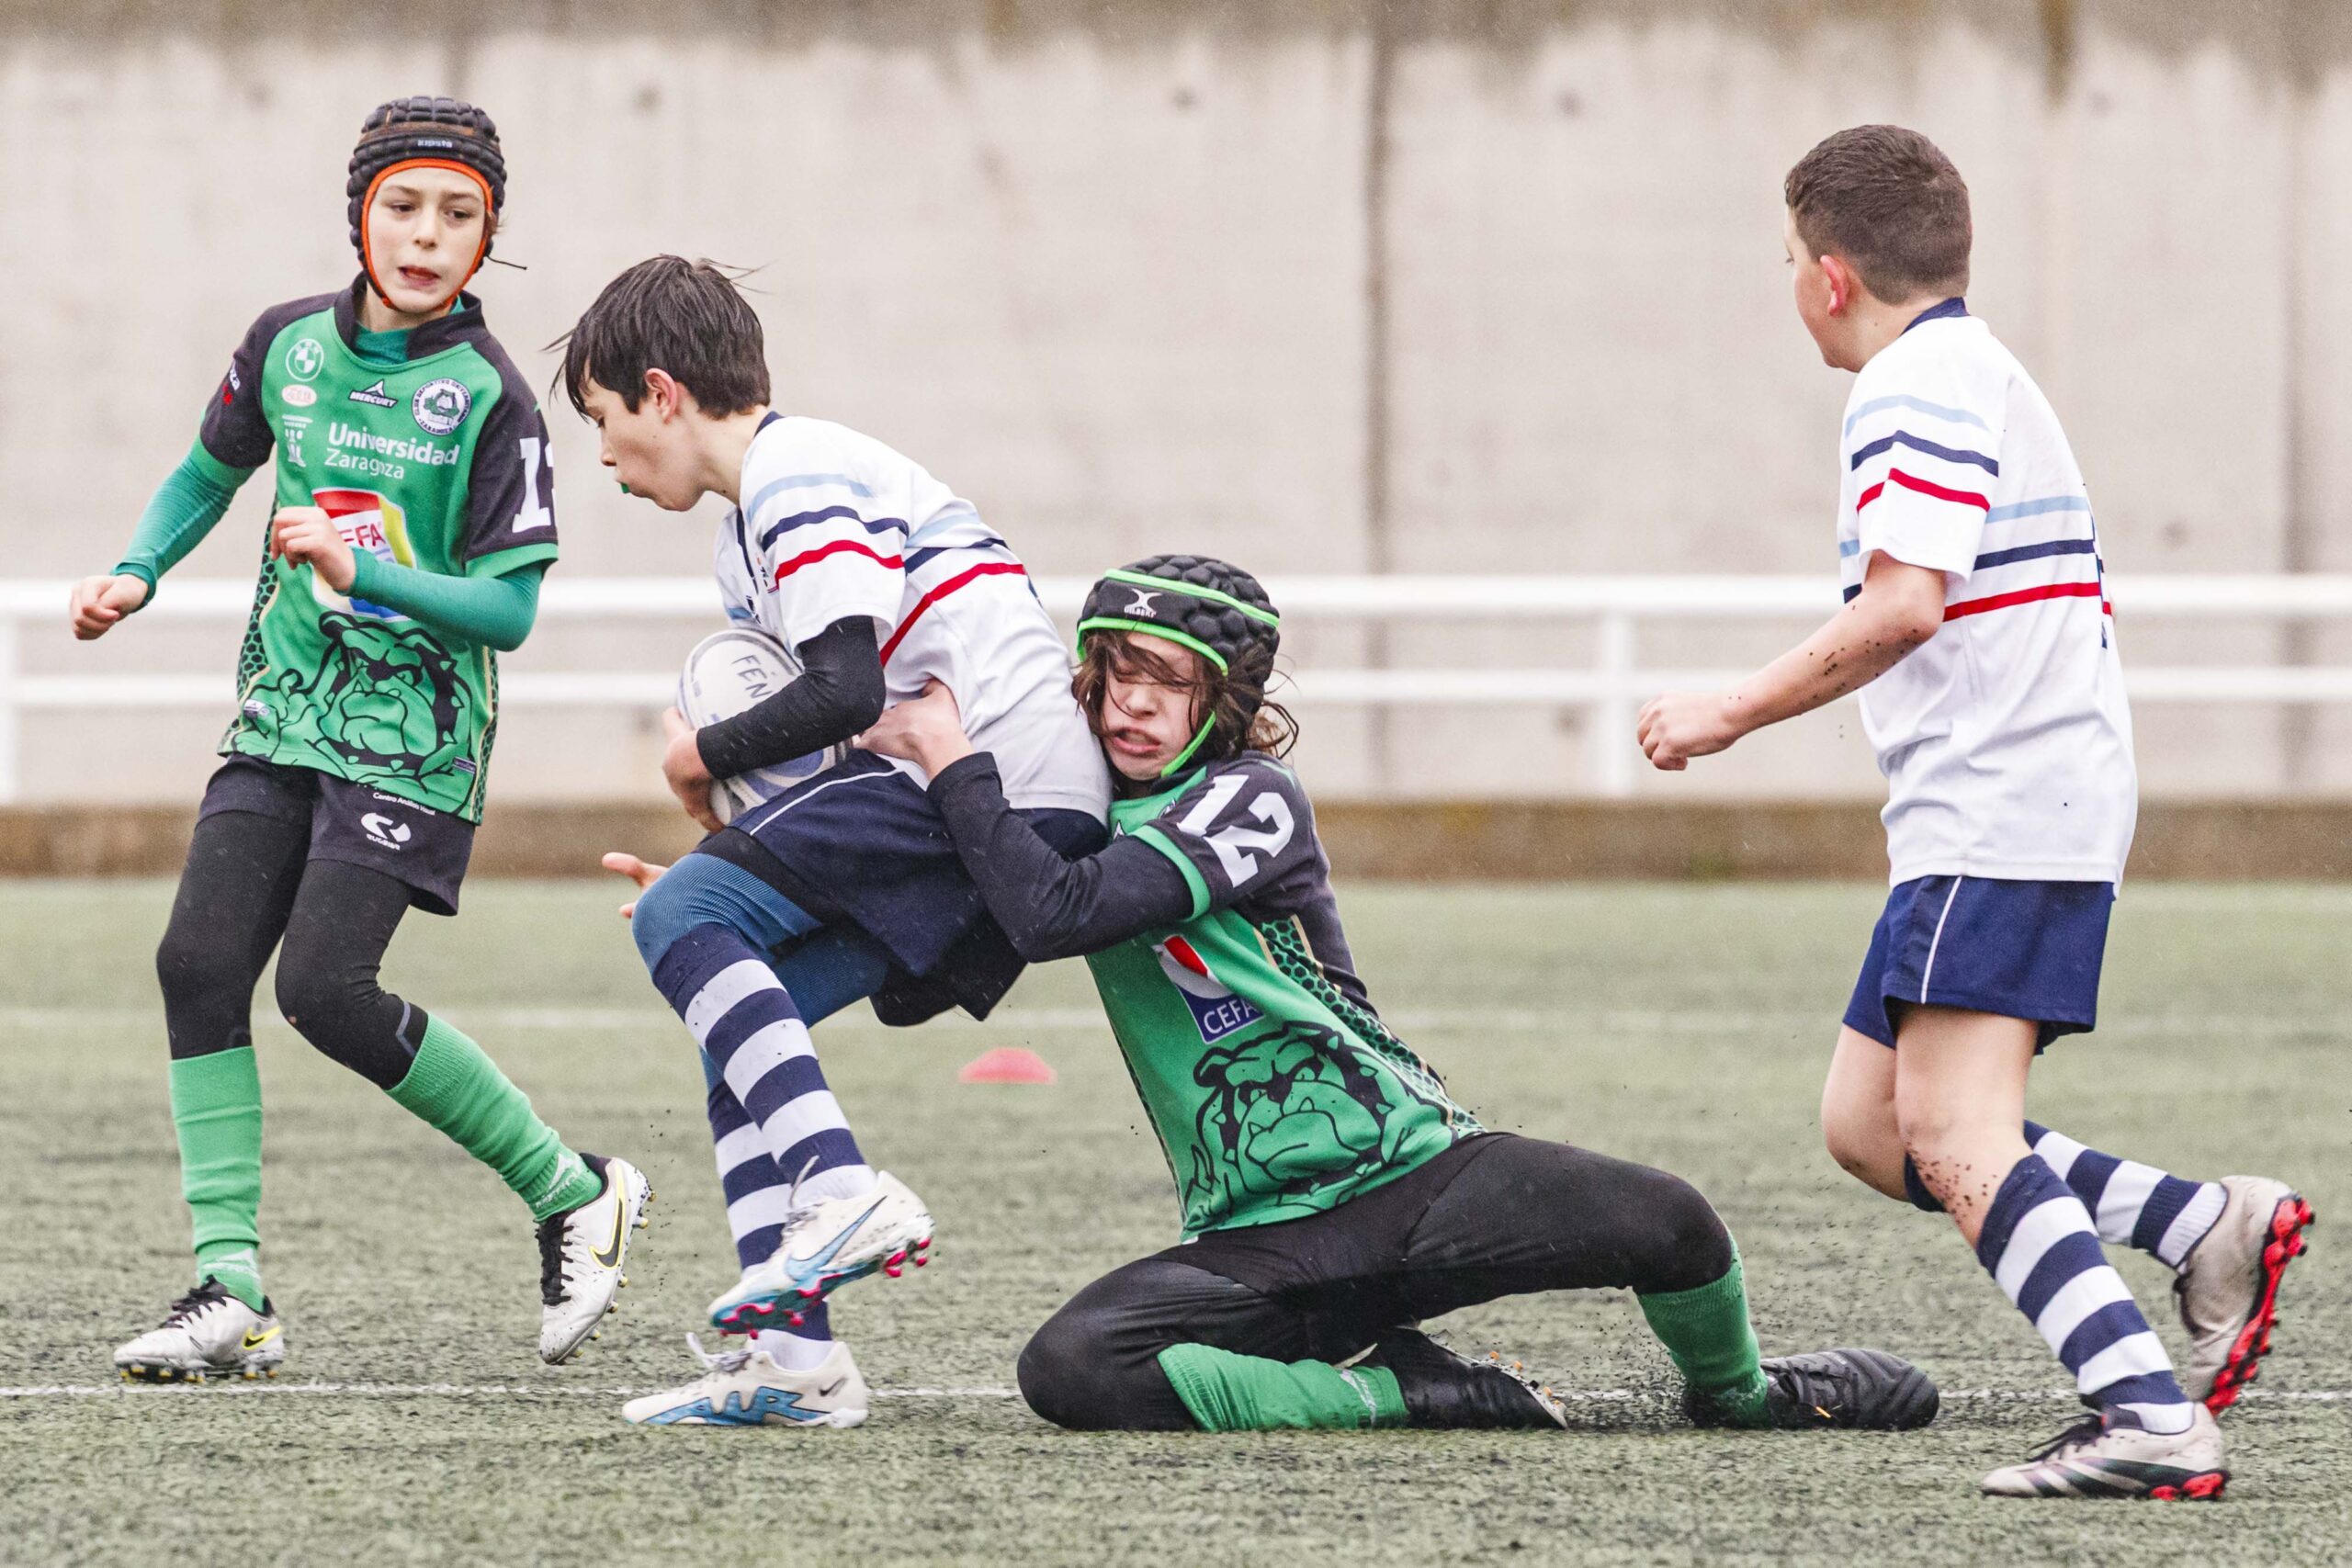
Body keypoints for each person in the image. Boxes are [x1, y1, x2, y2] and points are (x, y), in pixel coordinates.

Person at [855, 553, 1939, 1436]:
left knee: (1673, 1222)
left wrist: (954, 762)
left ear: (1222, 701)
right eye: (1114, 673)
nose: (1133, 702)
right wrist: (755, 886)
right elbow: (915, 988)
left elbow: (1055, 914)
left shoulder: (1252, 797)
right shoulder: (1064, 831)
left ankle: (1747, 1397)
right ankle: (1405, 1387)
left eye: (1170, 680)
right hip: (1260, 1237)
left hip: (1416, 1180)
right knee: (1071, 1367)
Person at [1635, 125, 2312, 1499]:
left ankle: (2146, 1415)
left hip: (2001, 801)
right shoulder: (1964, 368)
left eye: (1785, 263)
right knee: (1875, 1124)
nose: (1790, 288)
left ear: (1830, 275)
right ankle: (2201, 1223)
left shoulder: (1914, 385)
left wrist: (1726, 709)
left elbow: (1903, 600)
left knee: (1950, 1130)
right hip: (2005, 800)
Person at [74, 96, 650, 1383]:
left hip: (412, 741)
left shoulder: (493, 399)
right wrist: (135, 570)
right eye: (404, 204)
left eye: (458, 214)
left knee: (325, 990)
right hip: (281, 711)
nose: (426, 234)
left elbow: (506, 606)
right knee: (196, 962)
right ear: (360, 215)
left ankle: (574, 1186)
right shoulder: (285, 346)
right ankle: (233, 1288)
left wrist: (364, 568)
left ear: (486, 237)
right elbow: (207, 470)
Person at [562, 257, 1111, 1427]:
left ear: (660, 393)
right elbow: (838, 719)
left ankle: (843, 1189)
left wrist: (694, 763)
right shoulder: (755, 523)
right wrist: (750, 854)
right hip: (973, 785)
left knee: (679, 919)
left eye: (604, 422)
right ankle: (793, 1368)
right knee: (738, 1018)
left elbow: (841, 687)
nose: (604, 457)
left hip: (986, 776)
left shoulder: (793, 469)